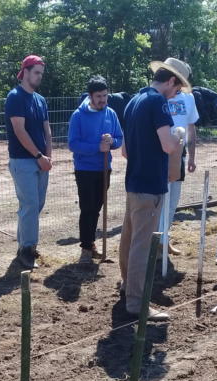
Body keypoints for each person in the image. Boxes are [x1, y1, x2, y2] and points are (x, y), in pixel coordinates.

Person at [119, 61, 185, 321]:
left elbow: (125, 151)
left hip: (134, 183)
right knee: (142, 245)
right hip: (150, 185)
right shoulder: (158, 102)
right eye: (177, 89)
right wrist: (179, 136)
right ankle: (137, 303)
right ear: (171, 81)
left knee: (129, 238)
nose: (176, 94)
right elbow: (168, 145)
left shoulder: (134, 101)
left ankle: (127, 286)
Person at [68, 75, 123, 263]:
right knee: (87, 208)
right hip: (85, 169)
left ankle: (91, 244)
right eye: (98, 96)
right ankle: (85, 248)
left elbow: (119, 138)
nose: (102, 100)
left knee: (97, 207)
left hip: (104, 168)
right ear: (90, 96)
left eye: (105, 96)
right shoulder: (78, 116)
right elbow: (73, 144)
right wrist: (97, 147)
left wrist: (112, 141)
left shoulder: (111, 114)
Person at [5, 55, 52, 270]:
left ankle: (25, 246)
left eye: (41, 74)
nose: (39, 77)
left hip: (41, 161)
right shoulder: (15, 97)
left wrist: (48, 157)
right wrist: (38, 156)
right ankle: (27, 249)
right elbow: (19, 130)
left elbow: (47, 131)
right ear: (25, 72)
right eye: (36, 73)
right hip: (23, 161)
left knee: (36, 205)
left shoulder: (40, 100)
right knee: (30, 205)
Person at [154, 58, 198, 258]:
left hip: (179, 154)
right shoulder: (157, 96)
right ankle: (154, 241)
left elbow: (191, 126)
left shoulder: (189, 98)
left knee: (172, 201)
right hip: (159, 153)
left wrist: (191, 157)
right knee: (158, 201)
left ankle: (164, 239)